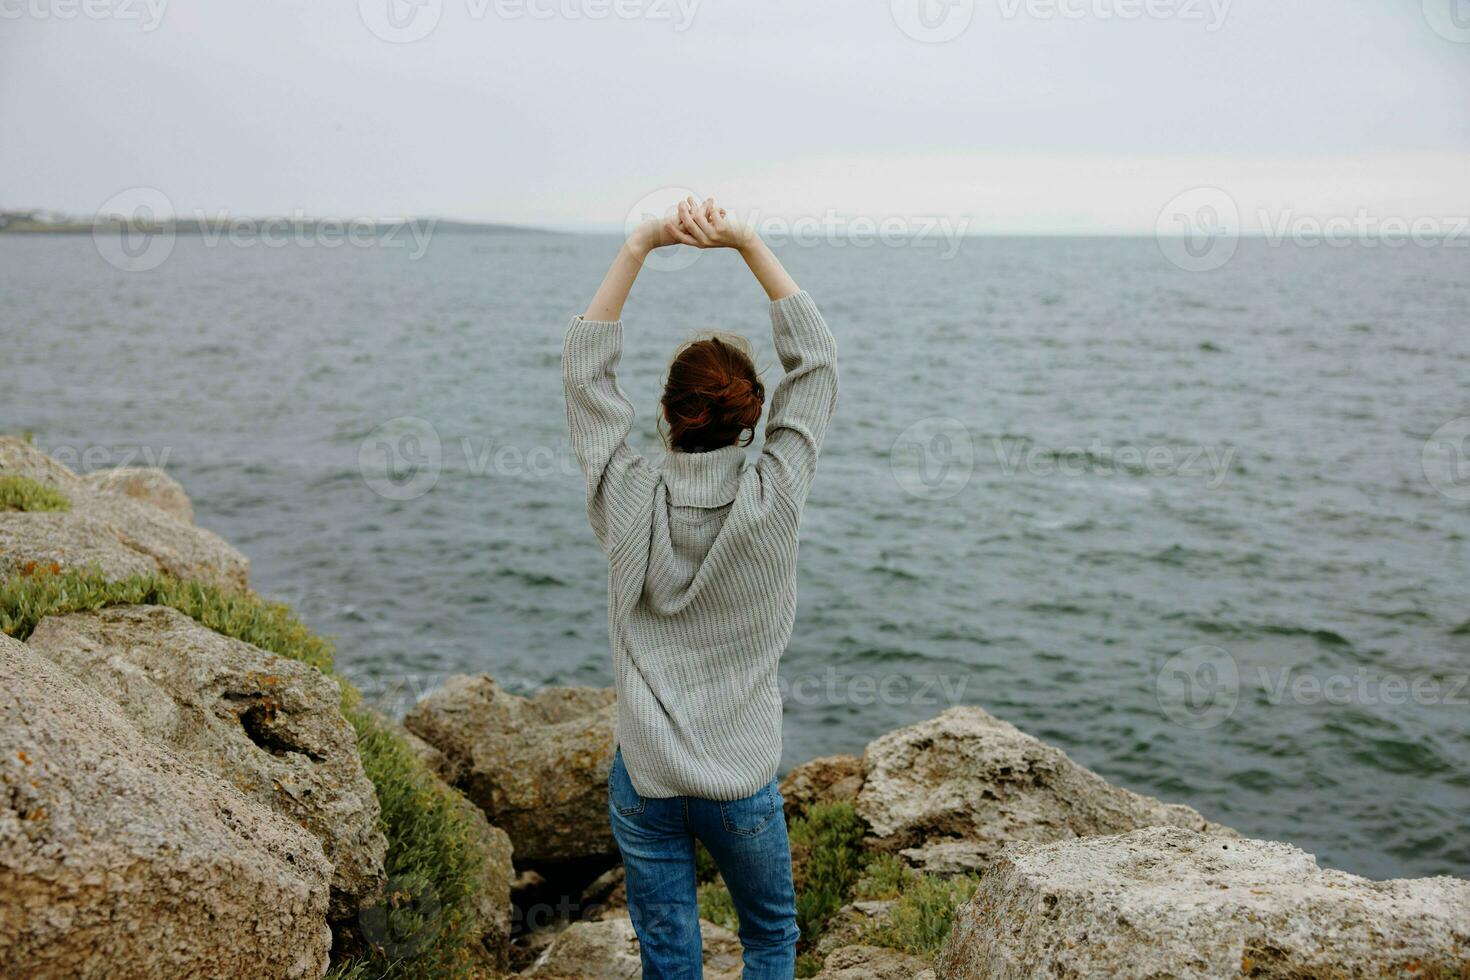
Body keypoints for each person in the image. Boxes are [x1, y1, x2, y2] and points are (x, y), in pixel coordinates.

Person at [563, 196, 838, 978]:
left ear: (665, 414)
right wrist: (747, 241)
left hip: (647, 776)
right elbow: (816, 364)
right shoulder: (775, 496)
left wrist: (640, 245)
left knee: (672, 962)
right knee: (772, 940)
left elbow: (586, 379)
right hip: (739, 779)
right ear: (752, 418)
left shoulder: (627, 494)